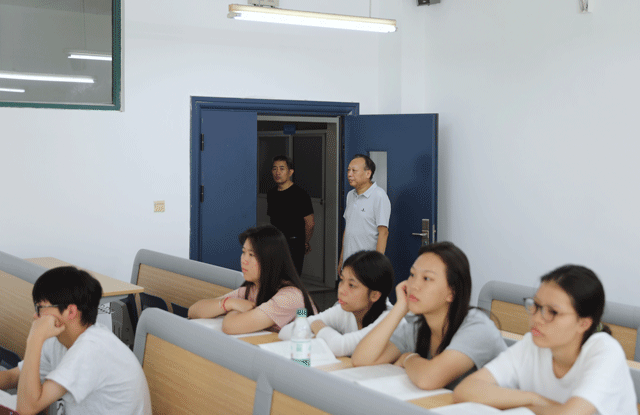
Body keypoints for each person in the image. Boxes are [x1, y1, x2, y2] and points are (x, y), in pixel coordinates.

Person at [453, 265, 637, 415]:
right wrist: (534, 398)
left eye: (553, 312)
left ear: (583, 323)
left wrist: (526, 408)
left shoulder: (605, 352)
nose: (537, 318)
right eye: (536, 305)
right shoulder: (532, 344)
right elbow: (465, 390)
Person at [351, 242, 506, 390]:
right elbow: (361, 360)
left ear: (451, 293)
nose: (414, 285)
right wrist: (400, 307)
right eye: (412, 275)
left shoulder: (477, 327)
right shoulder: (417, 327)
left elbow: (429, 379)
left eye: (427, 278)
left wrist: (408, 358)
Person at [0, 266, 151, 415]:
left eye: (40, 308)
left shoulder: (91, 349)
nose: (36, 316)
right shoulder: (58, 339)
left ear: (71, 311)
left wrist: (35, 338)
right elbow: (14, 376)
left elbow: (27, 408)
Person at [188, 225, 317, 333]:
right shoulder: (253, 289)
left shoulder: (290, 296)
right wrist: (229, 303)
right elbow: (193, 311)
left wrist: (233, 309)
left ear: (270, 260)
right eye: (243, 252)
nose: (244, 260)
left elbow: (230, 326)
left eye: (251, 254)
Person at [279, 250, 394, 356]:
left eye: (352, 285)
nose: (341, 290)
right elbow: (286, 331)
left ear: (374, 295)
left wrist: (319, 328)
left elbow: (339, 346)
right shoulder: (346, 309)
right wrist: (325, 337)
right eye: (342, 280)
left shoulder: (390, 319)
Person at [338, 154, 391, 274]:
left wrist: (377, 265)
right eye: (348, 170)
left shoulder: (379, 196)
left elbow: (383, 233)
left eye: (354, 171)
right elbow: (348, 229)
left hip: (366, 265)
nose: (349, 174)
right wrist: (341, 260)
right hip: (348, 262)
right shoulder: (350, 195)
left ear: (368, 174)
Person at [267, 155, 314, 276]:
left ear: (290, 172)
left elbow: (310, 223)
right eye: (274, 169)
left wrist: (304, 242)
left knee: (291, 279)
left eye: (282, 169)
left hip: (294, 244)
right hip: (276, 243)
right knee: (275, 278)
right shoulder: (271, 194)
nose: (277, 172)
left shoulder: (300, 195)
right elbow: (273, 220)